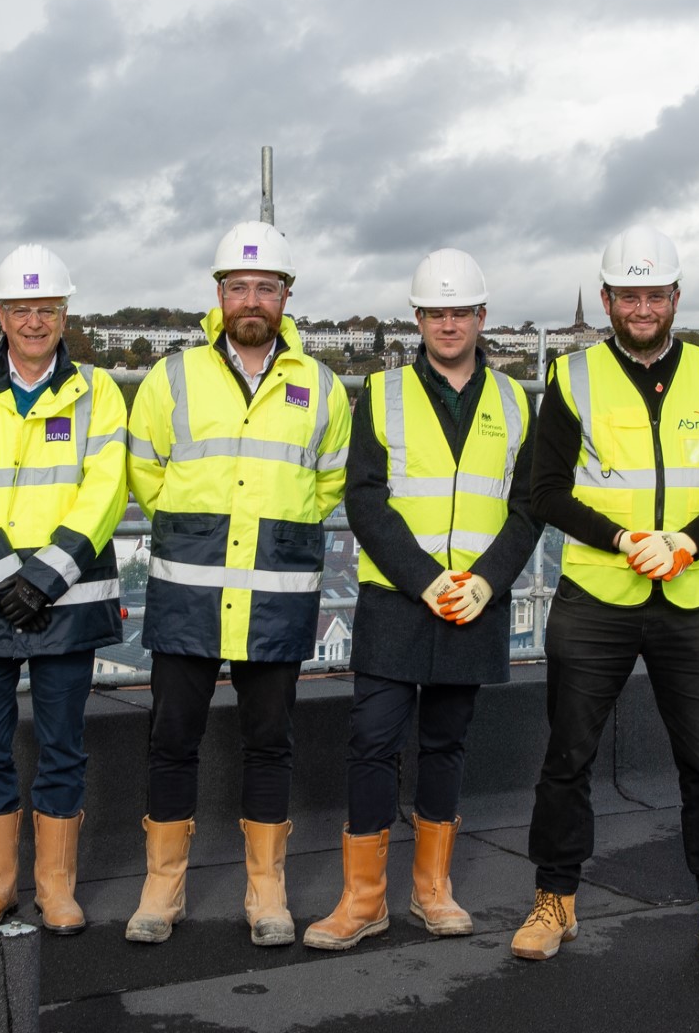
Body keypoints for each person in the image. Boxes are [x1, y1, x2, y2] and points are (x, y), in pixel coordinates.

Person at [511, 225, 699, 974]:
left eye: (655, 295)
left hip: (689, 594)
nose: (642, 308)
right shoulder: (573, 376)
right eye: (628, 296)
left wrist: (685, 542)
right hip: (596, 595)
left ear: (676, 297)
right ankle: (554, 900)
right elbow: (545, 490)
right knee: (567, 757)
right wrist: (624, 539)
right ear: (607, 299)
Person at [304, 249, 542, 950]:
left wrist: (486, 582)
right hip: (399, 597)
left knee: (446, 743)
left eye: (459, 312)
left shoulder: (515, 400)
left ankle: (432, 891)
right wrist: (425, 578)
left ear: (481, 317)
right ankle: (363, 899)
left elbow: (528, 506)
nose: (448, 324)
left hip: (473, 600)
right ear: (418, 318)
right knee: (372, 741)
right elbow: (365, 499)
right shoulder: (382, 393)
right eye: (436, 312)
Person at [124, 221, 352, 947]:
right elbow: (144, 471)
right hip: (187, 590)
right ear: (218, 294)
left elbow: (329, 484)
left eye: (266, 287)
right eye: (239, 287)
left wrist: (277, 530)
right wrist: (196, 529)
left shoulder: (322, 387)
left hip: (276, 593)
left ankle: (267, 890)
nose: (252, 300)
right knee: (171, 738)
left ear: (287, 296)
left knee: (270, 742)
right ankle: (162, 890)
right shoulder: (173, 377)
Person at [0, 243, 129, 936]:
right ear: (1, 315)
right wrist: (1, 580)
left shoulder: (100, 391)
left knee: (62, 745)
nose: (34, 321)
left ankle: (55, 887)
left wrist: (43, 579)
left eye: (46, 309)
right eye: (21, 309)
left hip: (64, 598)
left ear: (65, 314)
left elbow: (106, 488)